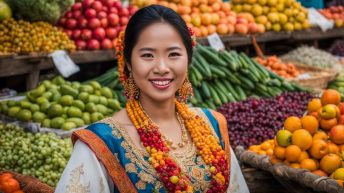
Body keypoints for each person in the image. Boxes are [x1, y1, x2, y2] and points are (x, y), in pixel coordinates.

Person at [55, 5, 249, 193]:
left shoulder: (211, 125)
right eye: (148, 55)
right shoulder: (103, 141)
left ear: (188, 60)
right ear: (129, 63)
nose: (162, 67)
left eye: (173, 54)